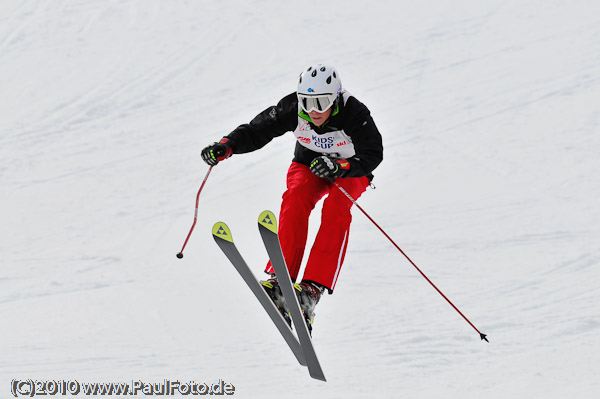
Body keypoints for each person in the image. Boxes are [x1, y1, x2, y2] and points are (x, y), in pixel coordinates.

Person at [201, 64, 383, 331]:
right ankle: (280, 280)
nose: (313, 111)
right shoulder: (292, 107)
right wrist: (226, 147)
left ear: (335, 99)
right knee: (295, 197)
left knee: (336, 208)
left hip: (350, 169)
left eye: (321, 103)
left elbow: (373, 153)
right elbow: (256, 131)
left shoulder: (354, 112)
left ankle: (311, 290)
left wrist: (342, 167)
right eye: (307, 102)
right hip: (309, 164)